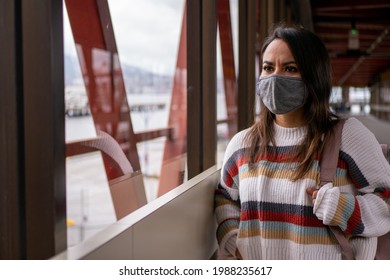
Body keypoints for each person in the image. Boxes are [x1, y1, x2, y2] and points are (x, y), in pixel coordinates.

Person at [215, 24, 390, 260]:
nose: (276, 77)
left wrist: (344, 209)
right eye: (268, 68)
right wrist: (234, 241)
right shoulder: (241, 145)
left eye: (290, 68)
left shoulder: (347, 136)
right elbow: (225, 196)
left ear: (313, 75)